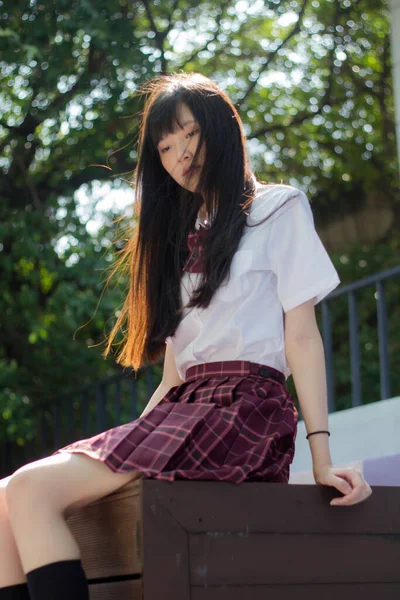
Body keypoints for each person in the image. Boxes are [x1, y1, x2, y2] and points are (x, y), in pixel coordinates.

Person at [0, 72, 372, 600]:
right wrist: (133, 441)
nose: (179, 154)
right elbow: (176, 372)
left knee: (32, 489)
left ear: (220, 127)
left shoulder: (277, 208)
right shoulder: (178, 239)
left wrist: (322, 458)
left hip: (246, 411)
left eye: (189, 133)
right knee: (6, 498)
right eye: (166, 147)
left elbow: (303, 339)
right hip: (185, 408)